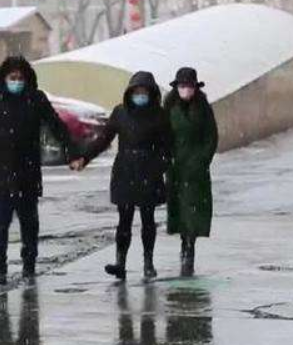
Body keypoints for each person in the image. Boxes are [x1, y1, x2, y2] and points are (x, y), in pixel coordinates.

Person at [0, 56, 81, 286]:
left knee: (30, 225)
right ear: (3, 78)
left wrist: (72, 152)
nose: (17, 82)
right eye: (12, 78)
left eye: (20, 78)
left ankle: (29, 266)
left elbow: (56, 126)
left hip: (27, 174)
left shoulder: (36, 99)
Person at [76, 71, 172, 280]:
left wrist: (159, 166)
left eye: (144, 92)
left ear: (151, 93)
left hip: (149, 170)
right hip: (125, 171)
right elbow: (104, 139)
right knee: (124, 220)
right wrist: (85, 157)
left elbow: (168, 147)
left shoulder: (159, 115)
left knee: (148, 219)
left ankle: (148, 262)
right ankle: (121, 262)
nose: (140, 95)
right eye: (136, 91)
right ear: (130, 92)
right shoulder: (120, 113)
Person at [164, 67, 218, 277]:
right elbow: (163, 135)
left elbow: (211, 137)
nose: (185, 89)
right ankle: (183, 242)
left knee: (194, 210)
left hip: (196, 170)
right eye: (182, 86)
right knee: (180, 209)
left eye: (189, 86)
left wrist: (202, 159)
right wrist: (167, 158)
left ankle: (189, 247)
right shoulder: (169, 107)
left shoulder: (203, 108)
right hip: (176, 168)